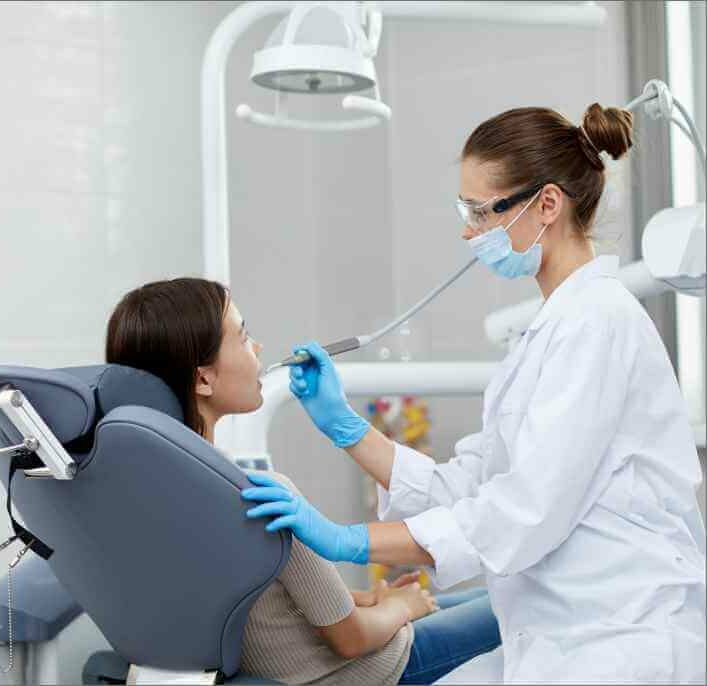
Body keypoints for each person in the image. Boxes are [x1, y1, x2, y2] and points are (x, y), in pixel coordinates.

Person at [241, 103, 707, 683]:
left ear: (546, 205)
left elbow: (521, 511)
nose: (468, 230)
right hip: (553, 634)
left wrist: (347, 541)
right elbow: (471, 484)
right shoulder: (551, 330)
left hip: (619, 634)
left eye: (481, 211)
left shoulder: (597, 324)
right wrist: (348, 431)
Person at [106, 277, 500, 685]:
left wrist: (367, 598)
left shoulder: (146, 490)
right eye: (243, 336)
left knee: (495, 596)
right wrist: (404, 606)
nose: (257, 347)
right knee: (522, 602)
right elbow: (350, 640)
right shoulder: (257, 493)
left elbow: (263, 607)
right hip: (367, 670)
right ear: (203, 379)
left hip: (300, 655)